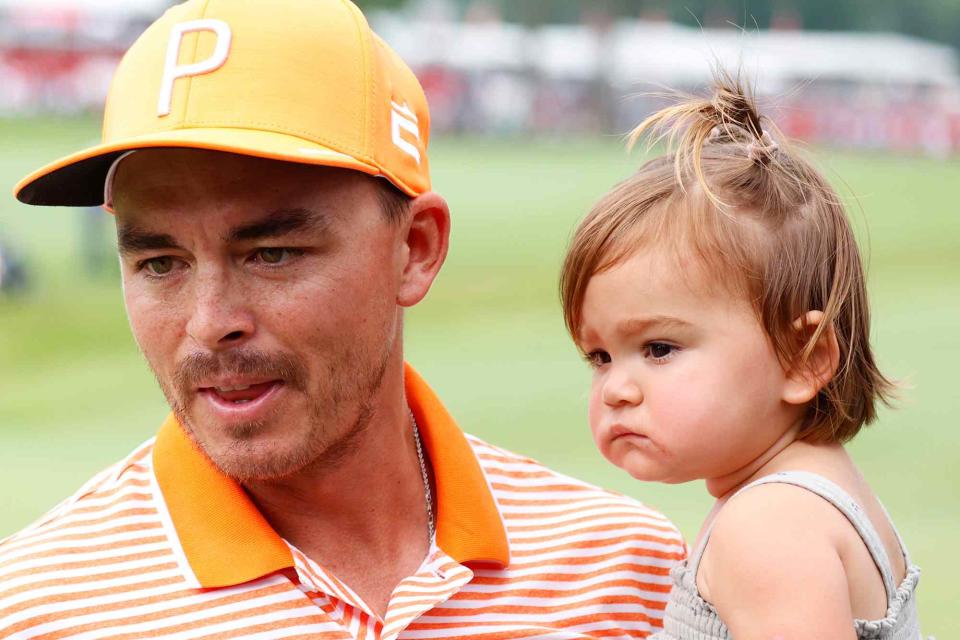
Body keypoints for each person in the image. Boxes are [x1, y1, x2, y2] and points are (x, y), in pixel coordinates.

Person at [3, 1, 685, 638]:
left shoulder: (627, 576)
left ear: (415, 249)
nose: (210, 323)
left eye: (271, 253)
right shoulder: (34, 609)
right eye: (160, 263)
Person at [559, 72, 924, 639]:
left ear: (804, 357)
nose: (616, 389)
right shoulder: (818, 499)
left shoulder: (767, 527)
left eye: (659, 348)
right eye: (600, 356)